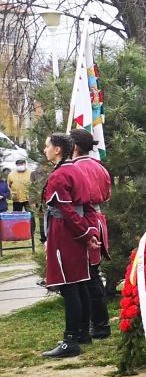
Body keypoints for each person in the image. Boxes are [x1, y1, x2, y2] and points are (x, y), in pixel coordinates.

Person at [40, 134, 99, 358]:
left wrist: (85, 233)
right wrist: (89, 232)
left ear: (57, 150)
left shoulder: (61, 174)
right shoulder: (76, 170)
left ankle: (71, 339)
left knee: (69, 285)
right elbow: (87, 207)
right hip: (75, 231)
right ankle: (83, 332)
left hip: (65, 233)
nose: (44, 149)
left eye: (47, 146)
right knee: (80, 282)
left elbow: (67, 210)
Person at [70, 129, 112, 340]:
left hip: (86, 221)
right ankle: (97, 324)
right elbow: (107, 194)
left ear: (74, 146)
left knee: (89, 277)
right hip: (97, 219)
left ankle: (100, 325)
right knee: (91, 274)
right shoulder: (99, 167)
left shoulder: (74, 169)